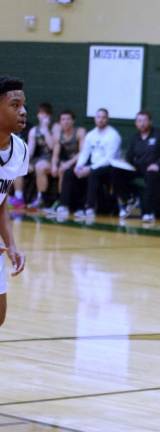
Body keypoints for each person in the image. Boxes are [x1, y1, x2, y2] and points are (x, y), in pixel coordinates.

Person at [0, 76, 29, 326]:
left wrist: (12, 245)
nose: (23, 112)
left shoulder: (20, 150)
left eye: (23, 105)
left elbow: (1, 203)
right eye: (15, 105)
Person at [60, 108, 121, 219]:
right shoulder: (91, 135)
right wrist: (78, 167)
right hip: (93, 165)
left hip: (109, 168)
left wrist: (90, 169)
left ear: (107, 119)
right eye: (98, 117)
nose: (101, 120)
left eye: (103, 117)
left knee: (93, 173)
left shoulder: (113, 135)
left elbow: (109, 158)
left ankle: (89, 208)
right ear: (95, 119)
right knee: (69, 172)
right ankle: (64, 206)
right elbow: (84, 153)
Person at [114, 111, 160, 222]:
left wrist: (157, 164)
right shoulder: (135, 138)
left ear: (150, 121)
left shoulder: (159, 135)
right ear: (136, 123)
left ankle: (147, 212)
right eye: (139, 121)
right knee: (116, 172)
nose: (142, 123)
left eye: (145, 120)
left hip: (154, 169)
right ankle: (128, 199)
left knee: (151, 175)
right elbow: (129, 156)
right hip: (138, 168)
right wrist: (123, 163)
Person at [51, 110, 86, 198]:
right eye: (63, 119)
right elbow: (55, 154)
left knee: (63, 170)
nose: (66, 122)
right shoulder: (59, 134)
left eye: (68, 119)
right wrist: (53, 165)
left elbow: (83, 152)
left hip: (80, 162)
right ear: (60, 122)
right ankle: (56, 199)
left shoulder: (80, 132)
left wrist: (69, 163)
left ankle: (62, 200)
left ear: (73, 121)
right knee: (57, 169)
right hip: (65, 161)